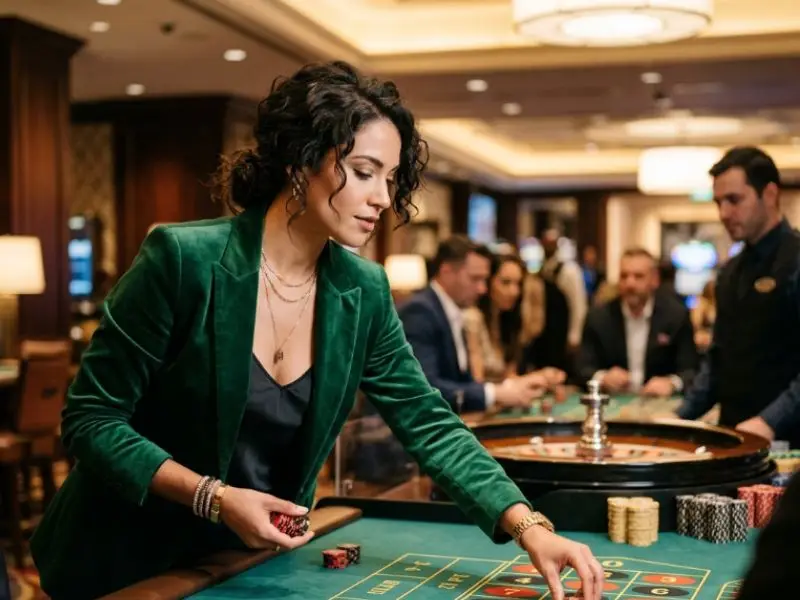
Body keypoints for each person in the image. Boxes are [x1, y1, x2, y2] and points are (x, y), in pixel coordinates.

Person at [29, 61, 604, 600]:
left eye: (391, 178)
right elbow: (90, 420)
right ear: (301, 161)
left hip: (248, 561)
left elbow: (428, 422)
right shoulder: (182, 260)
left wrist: (528, 525)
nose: (382, 197)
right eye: (363, 172)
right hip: (125, 563)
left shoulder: (364, 289)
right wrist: (214, 497)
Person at [676, 146, 800, 447]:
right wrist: (677, 422)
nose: (723, 213)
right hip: (734, 437)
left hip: (789, 444)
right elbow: (717, 362)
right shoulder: (729, 271)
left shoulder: (796, 259)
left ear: (769, 194)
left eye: (734, 200)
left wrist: (769, 421)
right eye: (719, 202)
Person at [398, 237, 551, 412]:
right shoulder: (420, 311)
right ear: (446, 272)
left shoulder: (453, 310)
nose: (482, 289)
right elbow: (424, 388)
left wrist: (511, 386)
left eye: (484, 280)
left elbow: (462, 381)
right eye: (475, 278)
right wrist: (494, 393)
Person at [577, 247, 698, 396]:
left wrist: (671, 383)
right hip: (613, 405)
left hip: (659, 407)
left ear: (654, 280)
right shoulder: (599, 317)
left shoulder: (676, 316)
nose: (630, 284)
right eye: (624, 276)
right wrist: (603, 377)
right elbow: (581, 368)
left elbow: (691, 370)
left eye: (638, 276)